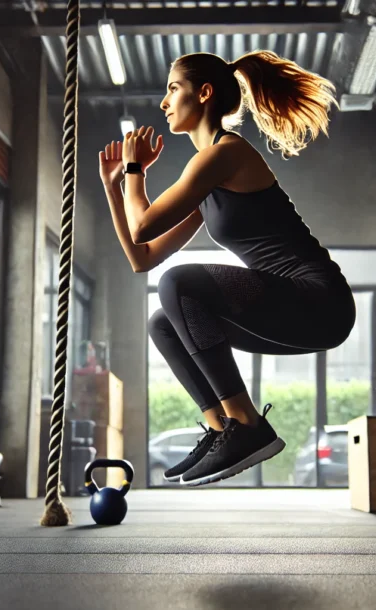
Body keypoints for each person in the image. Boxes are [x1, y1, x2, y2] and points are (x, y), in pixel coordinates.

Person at [98, 50, 355, 486]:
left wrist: (135, 169)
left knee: (180, 282)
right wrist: (113, 188)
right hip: (290, 308)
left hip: (319, 300)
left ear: (204, 93)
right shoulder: (209, 175)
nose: (164, 102)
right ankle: (223, 428)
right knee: (162, 322)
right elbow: (143, 258)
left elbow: (142, 226)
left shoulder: (224, 154)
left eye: (172, 88)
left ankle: (247, 426)